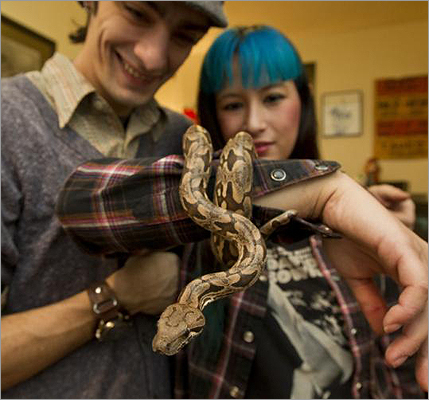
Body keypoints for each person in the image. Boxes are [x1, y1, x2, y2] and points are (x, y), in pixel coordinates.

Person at [55, 26, 428, 399]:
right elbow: (80, 204)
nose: (254, 122)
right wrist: (321, 192)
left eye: (273, 97)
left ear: (304, 99)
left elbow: (395, 360)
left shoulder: (357, 222)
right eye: (233, 104)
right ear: (213, 113)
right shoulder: (191, 236)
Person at [1, 1, 228, 398]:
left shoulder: (185, 139)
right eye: (137, 13)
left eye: (184, 36)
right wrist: (115, 297)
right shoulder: (8, 120)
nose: (153, 57)